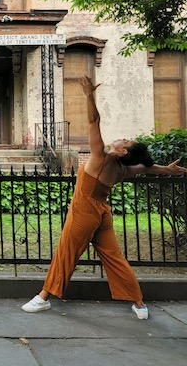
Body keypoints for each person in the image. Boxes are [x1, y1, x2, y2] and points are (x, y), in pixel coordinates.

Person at [21, 75, 186, 320]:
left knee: (67, 252)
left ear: (123, 150)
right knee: (114, 257)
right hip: (102, 214)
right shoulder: (121, 169)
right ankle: (139, 305)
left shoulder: (100, 157)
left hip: (84, 211)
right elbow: (146, 168)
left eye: (126, 140)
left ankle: (42, 298)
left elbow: (94, 121)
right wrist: (168, 170)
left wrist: (89, 95)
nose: (122, 138)